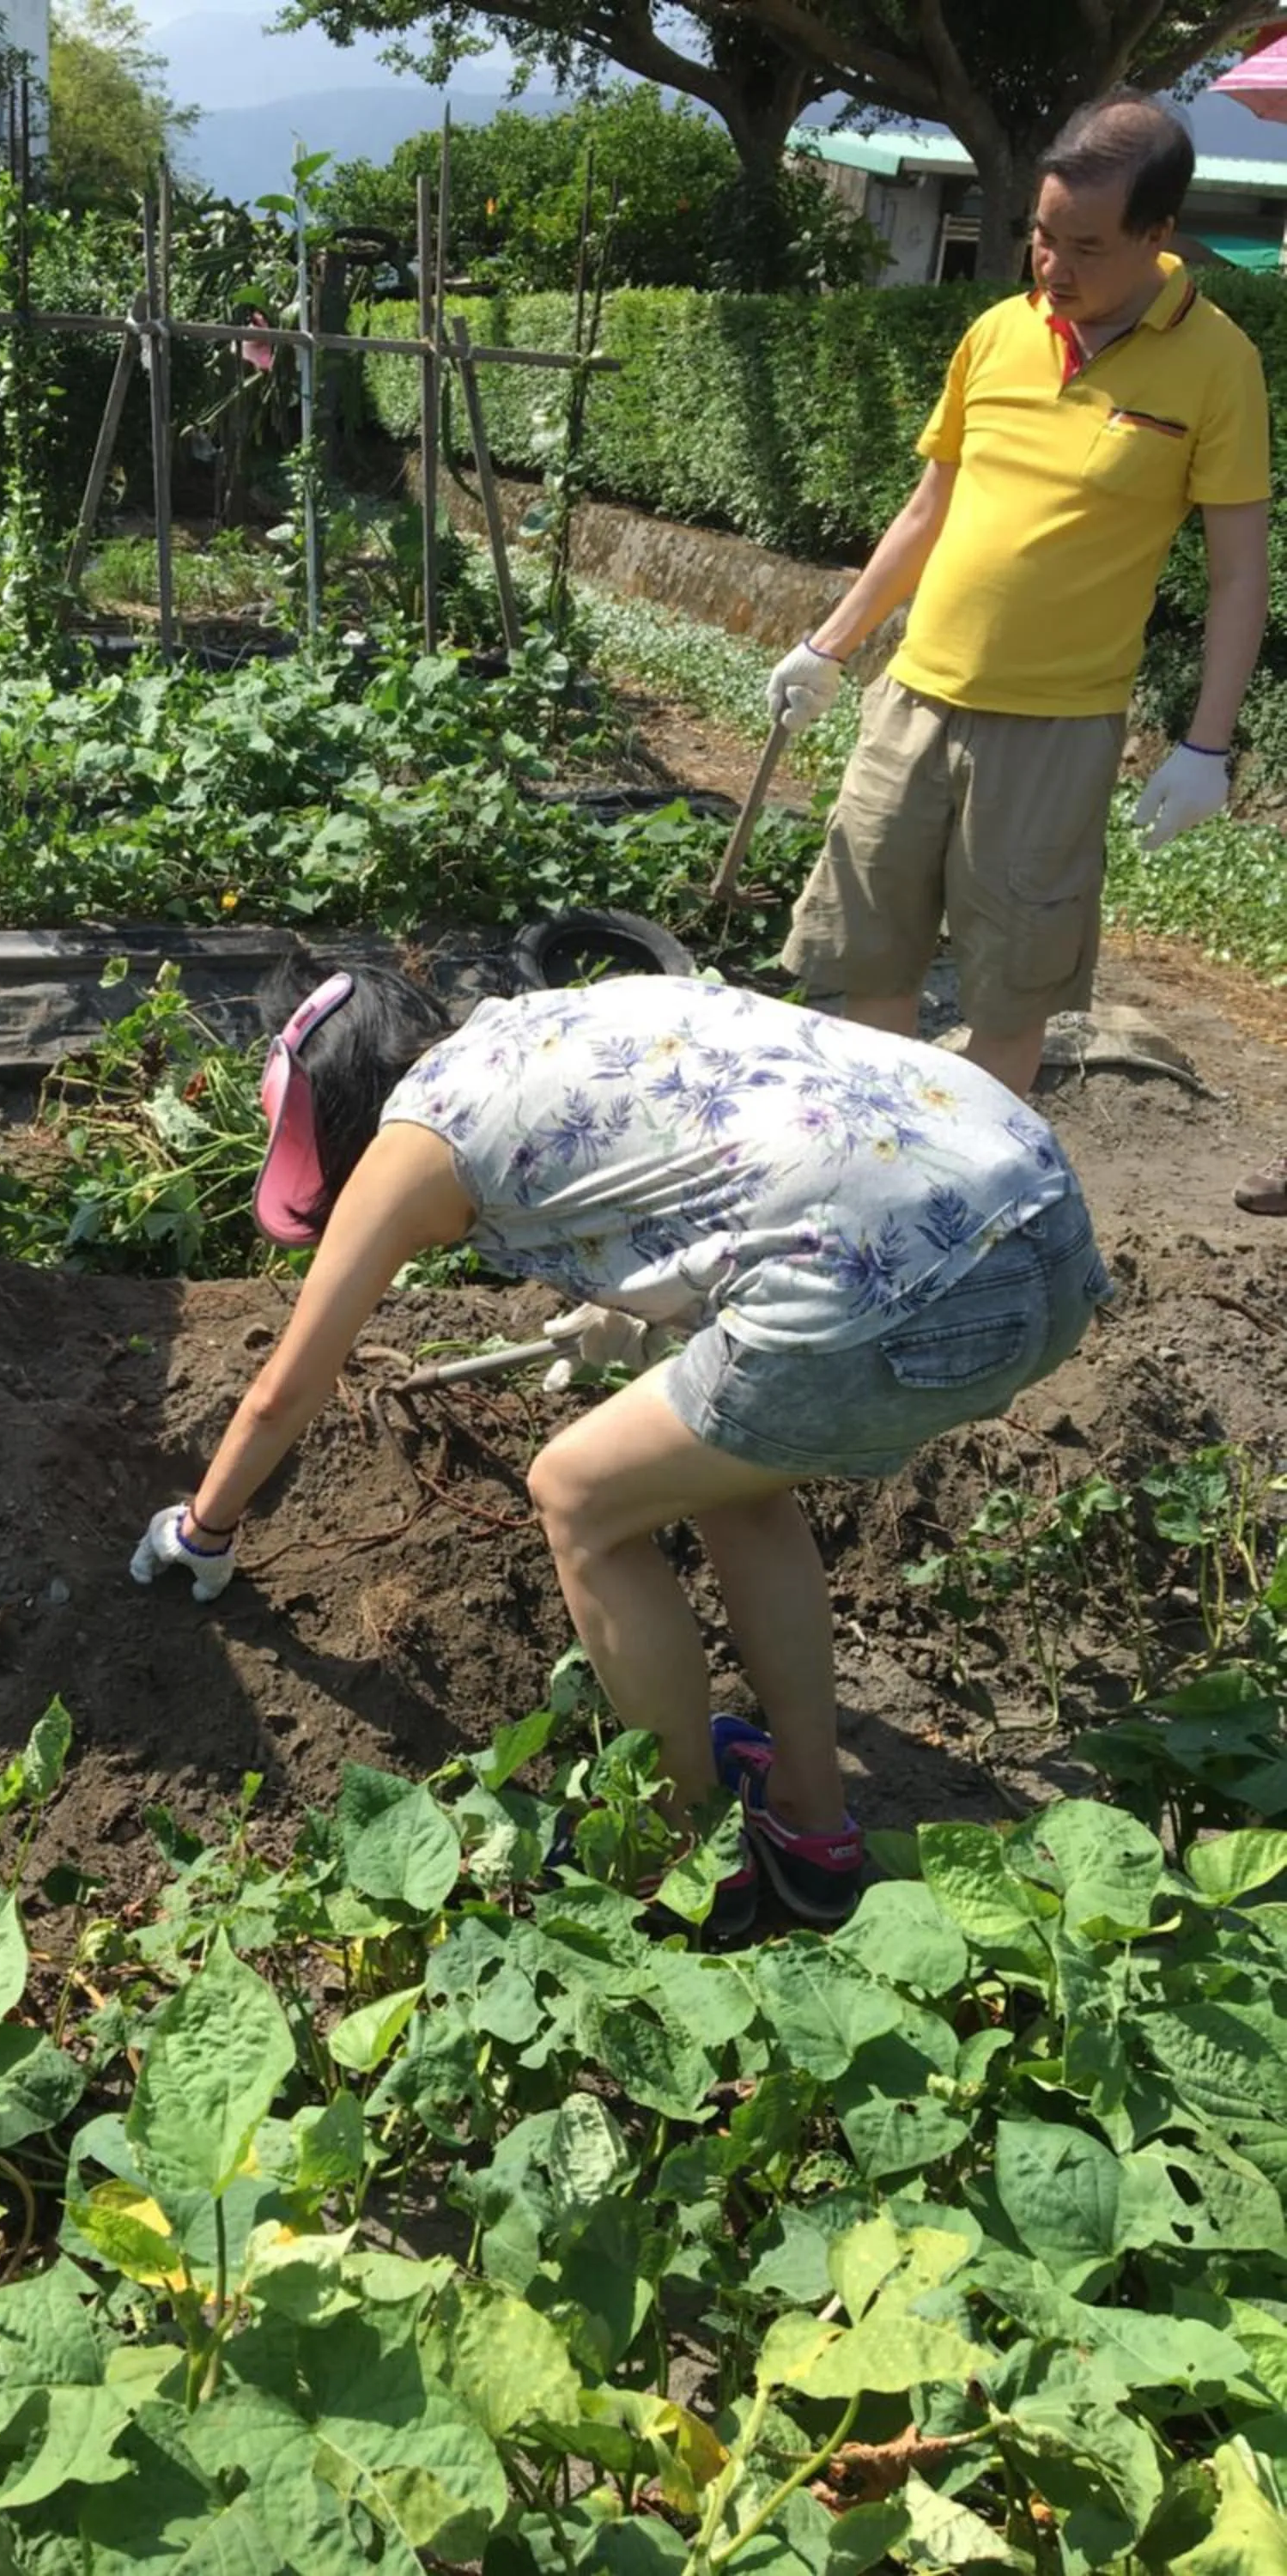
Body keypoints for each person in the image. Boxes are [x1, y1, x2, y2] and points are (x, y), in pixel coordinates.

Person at [130, 965, 1109, 1940]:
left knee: (578, 1497)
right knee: (739, 1482)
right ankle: (814, 1833)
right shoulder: (550, 1021)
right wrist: (636, 1312)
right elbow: (733, 1149)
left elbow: (283, 1391)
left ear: (338, 1118)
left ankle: (686, 1850)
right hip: (1040, 1221)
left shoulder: (415, 1137)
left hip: (901, 1281)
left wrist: (203, 1528)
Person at [768, 91, 1271, 1111]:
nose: (1054, 266)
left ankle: (957, 1192)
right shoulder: (999, 333)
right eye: (1041, 236)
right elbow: (930, 507)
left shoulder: (1219, 365)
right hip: (913, 700)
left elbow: (1238, 574)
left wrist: (1208, 745)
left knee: (1010, 994)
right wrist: (829, 647)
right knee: (871, 962)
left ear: (1159, 235)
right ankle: (877, 1164)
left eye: (1086, 245)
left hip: (1053, 732)